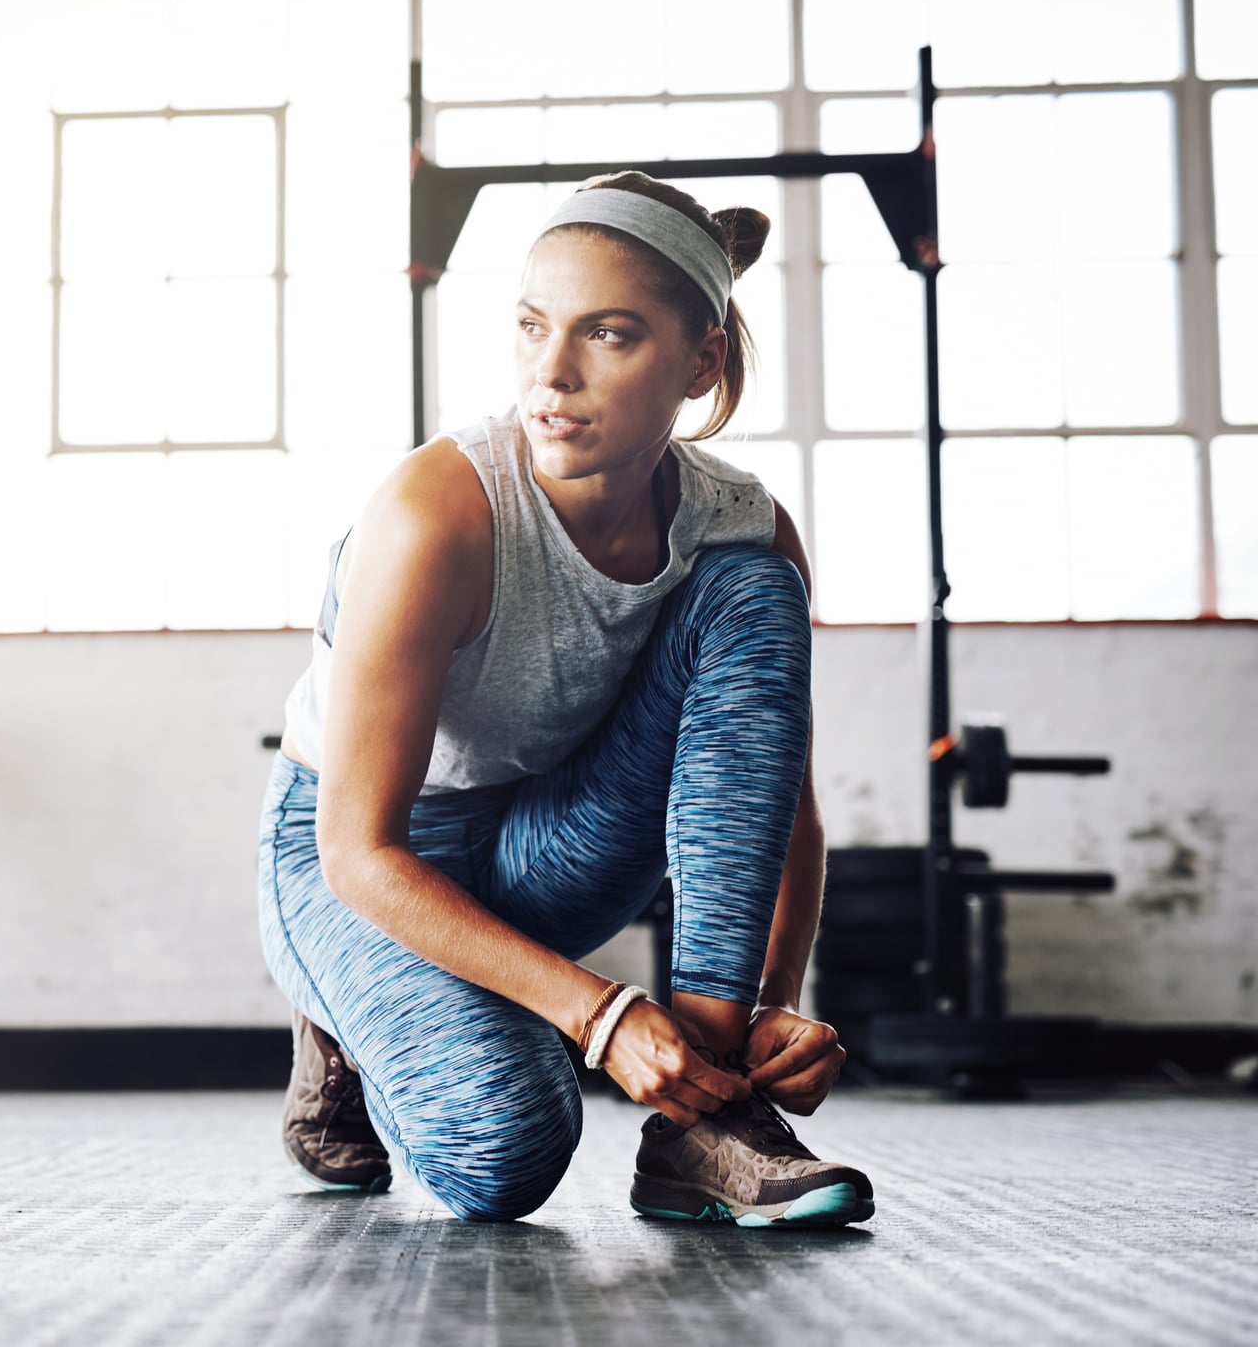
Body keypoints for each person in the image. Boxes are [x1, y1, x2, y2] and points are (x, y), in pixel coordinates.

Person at [257, 171, 872, 1227]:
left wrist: (768, 1012)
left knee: (750, 585)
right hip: (356, 857)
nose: (551, 373)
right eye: (533, 327)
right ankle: (341, 1021)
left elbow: (780, 807)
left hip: (547, 834)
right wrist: (599, 1016)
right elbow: (361, 850)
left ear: (699, 361)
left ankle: (704, 1126)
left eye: (609, 334)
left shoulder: (736, 523)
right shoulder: (435, 512)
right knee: (501, 1153)